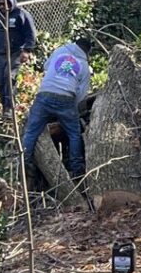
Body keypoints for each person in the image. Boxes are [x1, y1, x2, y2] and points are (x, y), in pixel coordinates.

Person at [22, 37, 92, 182]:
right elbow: (82, 93)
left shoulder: (60, 51)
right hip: (66, 98)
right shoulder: (84, 65)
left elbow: (46, 67)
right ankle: (77, 169)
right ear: (87, 51)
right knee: (74, 134)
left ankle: (23, 162)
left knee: (31, 131)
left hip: (44, 94)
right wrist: (72, 106)